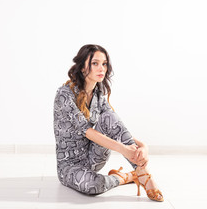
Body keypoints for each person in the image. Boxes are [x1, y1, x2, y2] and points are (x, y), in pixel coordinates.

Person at [53, 44, 163, 202]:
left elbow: (116, 127)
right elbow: (88, 131)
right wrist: (123, 150)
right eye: (95, 63)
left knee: (109, 116)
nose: (101, 68)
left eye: (104, 64)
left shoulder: (98, 94)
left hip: (93, 158)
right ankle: (123, 177)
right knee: (94, 185)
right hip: (69, 166)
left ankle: (143, 174)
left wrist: (142, 146)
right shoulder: (64, 95)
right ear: (83, 67)